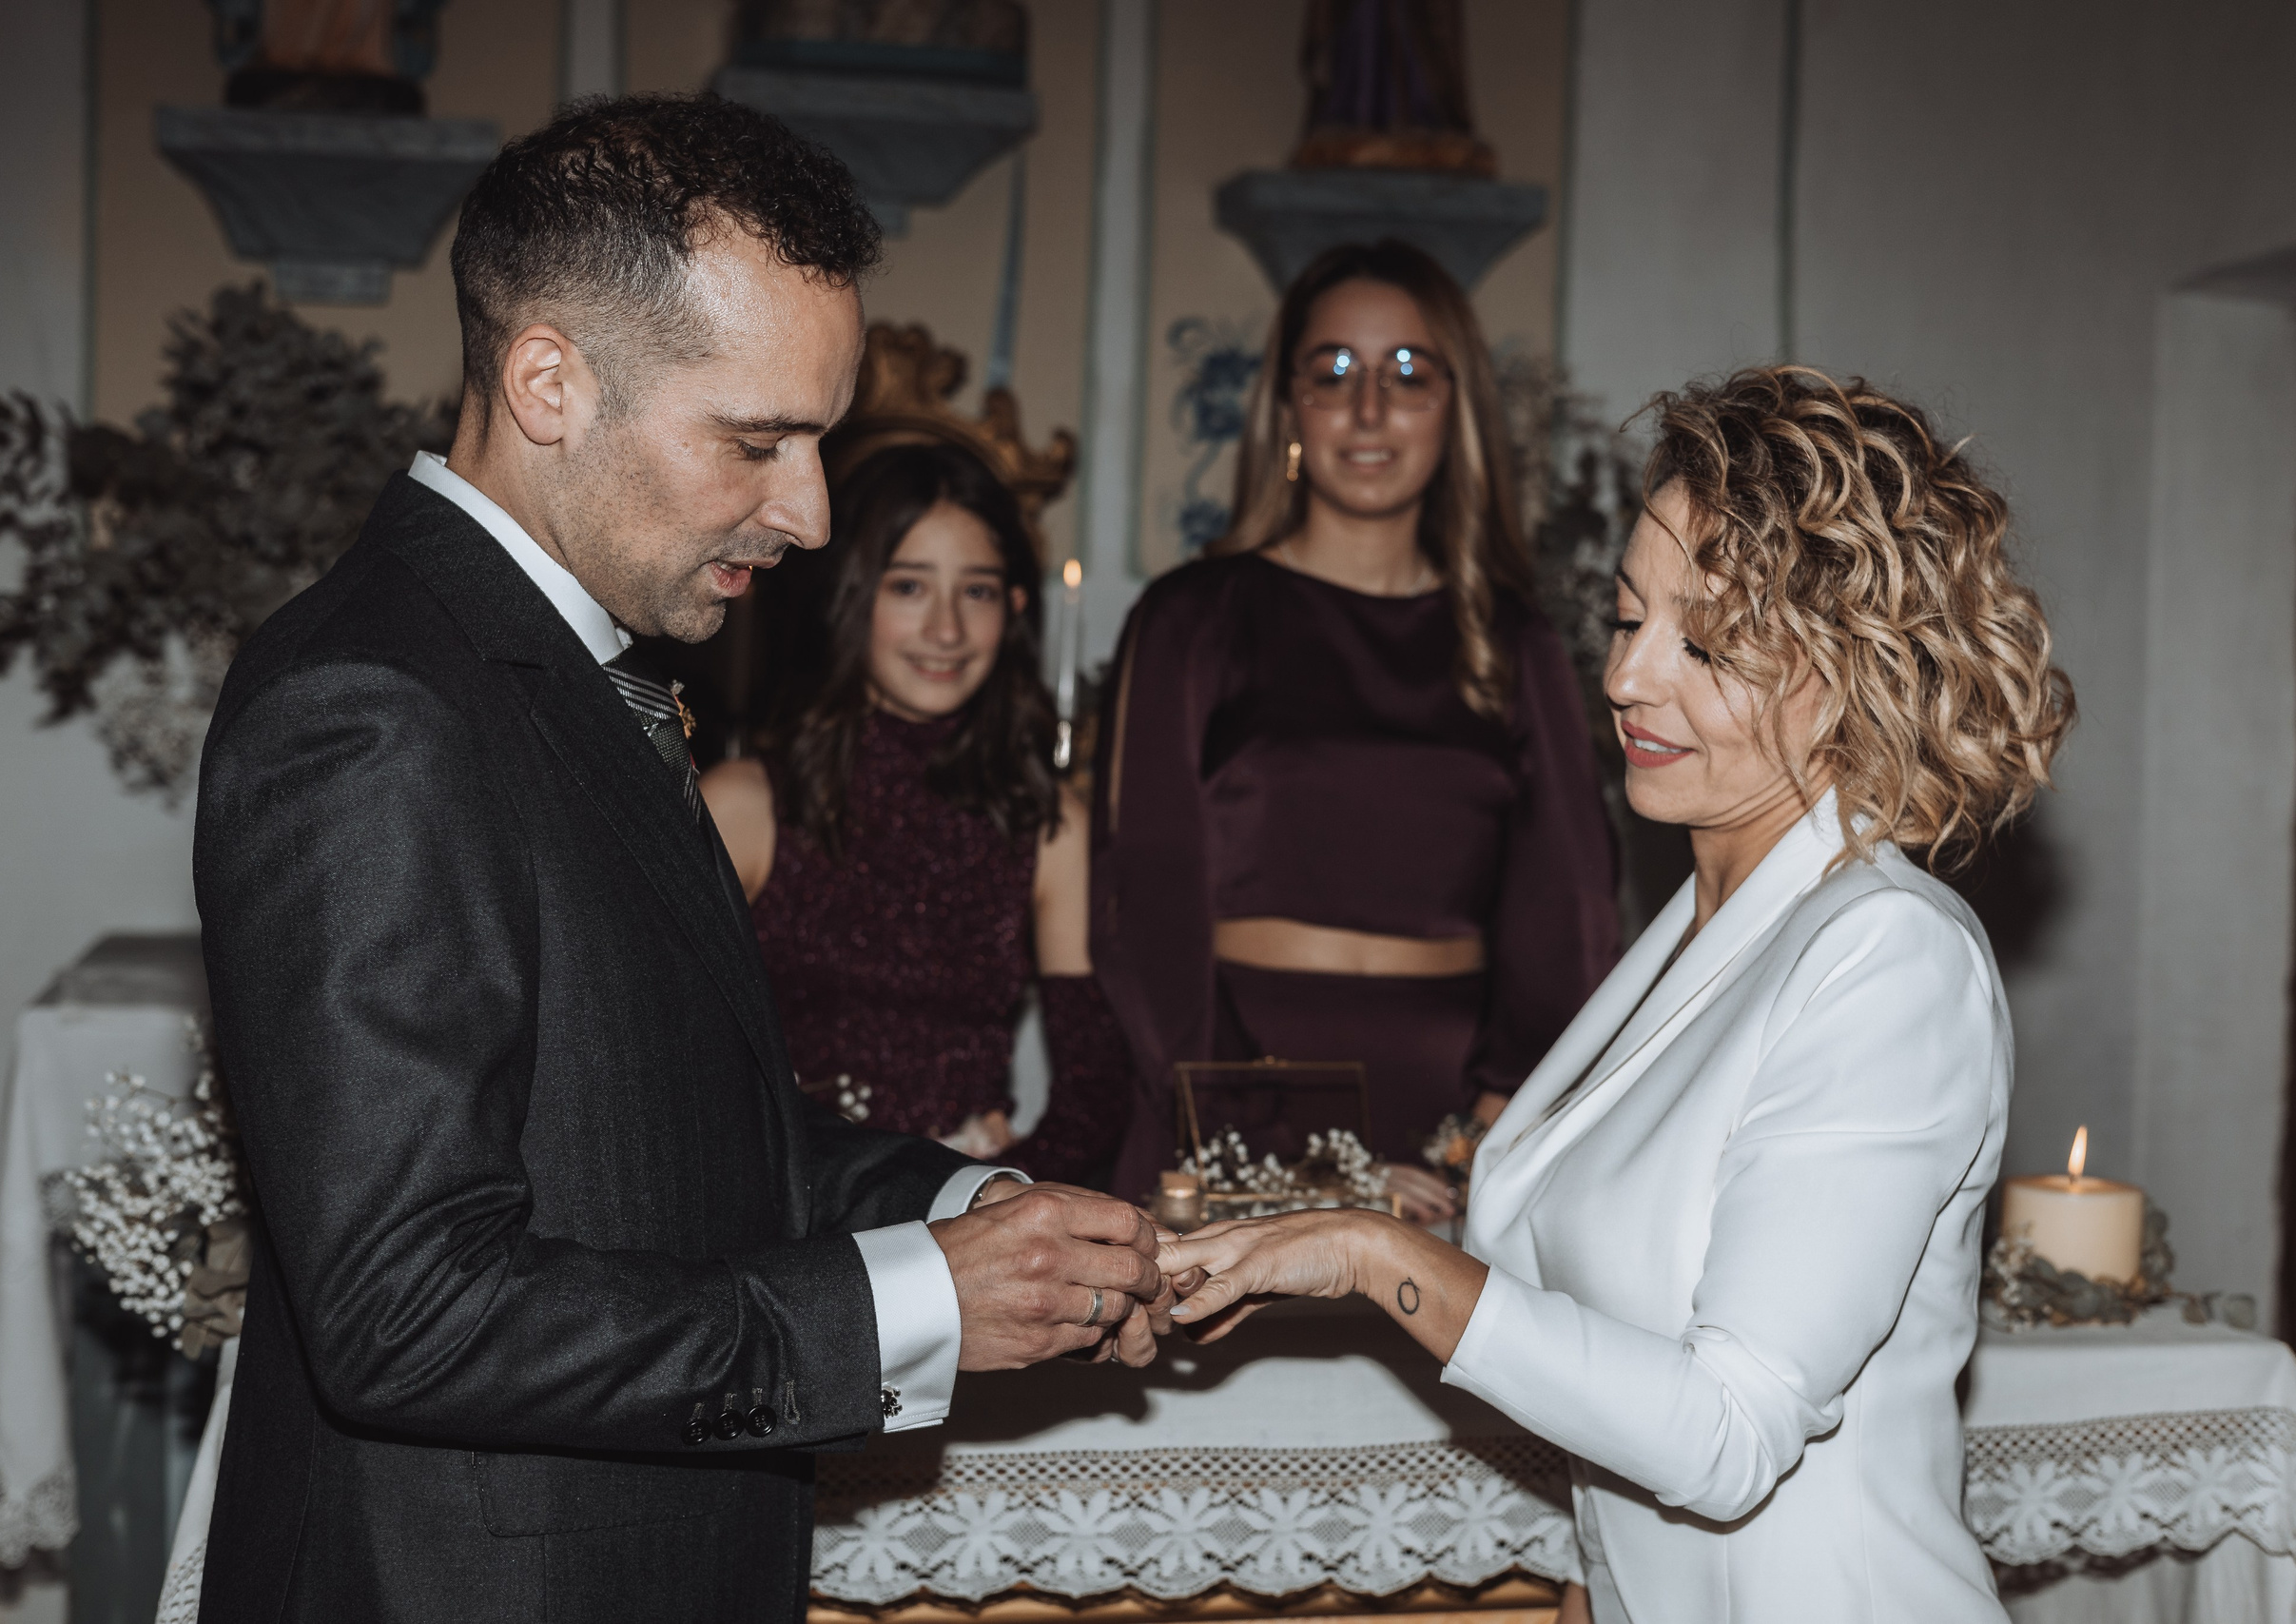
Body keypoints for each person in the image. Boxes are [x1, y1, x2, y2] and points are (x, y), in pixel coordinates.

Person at [191, 95, 1170, 1624]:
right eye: (757, 437)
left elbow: (667, 1123)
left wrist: (970, 1208)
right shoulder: (372, 704)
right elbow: (407, 1308)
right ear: (548, 382)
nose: (810, 509)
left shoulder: (576, 668)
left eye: (820, 441)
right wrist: (906, 1304)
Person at [1156, 366, 2077, 1624]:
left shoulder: (1888, 956)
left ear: (1855, 670)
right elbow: (1607, 1369)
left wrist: (1372, 1253)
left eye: (1706, 643)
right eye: (1627, 616)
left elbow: (1725, 1429)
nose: (1630, 678)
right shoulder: (1692, 937)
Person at [1090, 239, 1621, 1214]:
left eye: (1408, 374)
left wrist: (1502, 1118)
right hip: (1222, 1104)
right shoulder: (1190, 618)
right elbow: (1144, 912)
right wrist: (1270, 1146)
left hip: (1458, 1131)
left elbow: (1570, 909)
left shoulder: (1514, 639)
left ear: (1453, 409)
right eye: (1333, 372)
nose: (1369, 410)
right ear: (1286, 405)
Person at [701, 440, 1131, 1184]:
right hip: (783, 1228)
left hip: (975, 1237)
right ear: (851, 596)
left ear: (1016, 607)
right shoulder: (744, 805)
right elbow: (665, 1073)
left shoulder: (1046, 820)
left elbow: (1095, 1097)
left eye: (978, 591)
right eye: (908, 587)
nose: (947, 630)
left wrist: (986, 1191)